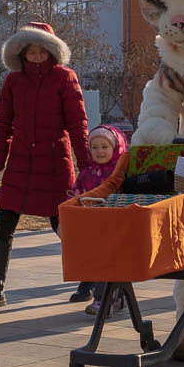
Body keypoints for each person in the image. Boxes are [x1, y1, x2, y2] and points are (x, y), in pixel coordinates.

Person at [0, 22, 91, 310]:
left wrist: (88, 165)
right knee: (4, 226)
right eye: (31, 52)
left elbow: (77, 124)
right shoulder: (14, 81)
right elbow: (4, 126)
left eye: (42, 51)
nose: (37, 56)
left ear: (52, 51)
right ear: (21, 53)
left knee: (64, 226)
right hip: (20, 164)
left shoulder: (65, 78)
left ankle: (91, 279)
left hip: (55, 163)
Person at [68, 124, 128, 316]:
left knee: (108, 263)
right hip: (93, 226)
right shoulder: (87, 172)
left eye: (104, 146)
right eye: (95, 147)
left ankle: (102, 301)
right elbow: (77, 193)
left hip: (116, 225)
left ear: (116, 147)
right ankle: (118, 298)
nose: (99, 151)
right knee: (102, 264)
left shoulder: (120, 172)